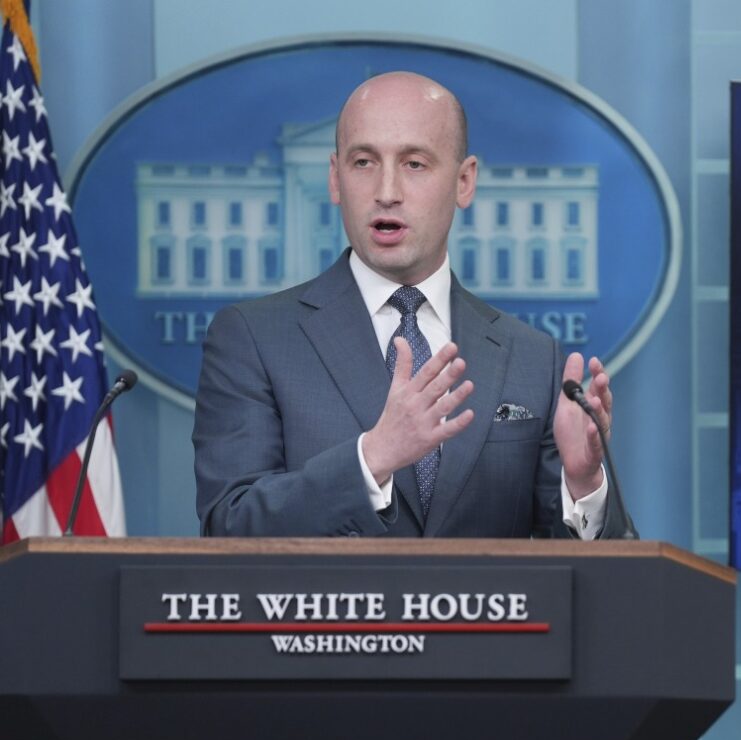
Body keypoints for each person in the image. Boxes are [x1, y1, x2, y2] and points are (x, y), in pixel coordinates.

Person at [192, 71, 635, 540]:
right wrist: (372, 459)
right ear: (335, 179)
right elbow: (229, 525)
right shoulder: (254, 339)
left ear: (464, 182)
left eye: (414, 164)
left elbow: (594, 573)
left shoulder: (533, 359)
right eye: (364, 162)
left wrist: (583, 484)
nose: (386, 191)